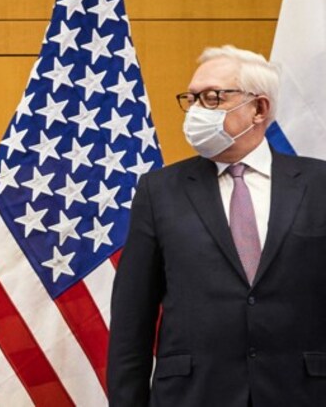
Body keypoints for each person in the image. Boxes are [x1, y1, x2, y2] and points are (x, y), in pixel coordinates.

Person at [108, 45, 326, 406]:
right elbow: (132, 320)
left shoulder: (319, 184)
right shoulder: (159, 191)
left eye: (212, 98)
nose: (196, 111)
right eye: (191, 99)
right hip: (193, 394)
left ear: (258, 108)